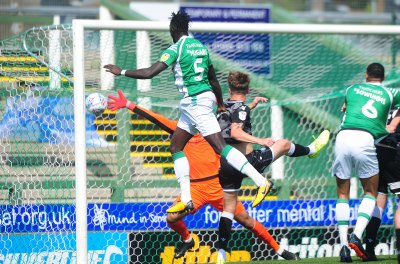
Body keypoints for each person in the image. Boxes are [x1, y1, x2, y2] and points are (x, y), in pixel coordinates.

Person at [103, 11, 273, 214]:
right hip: (198, 102)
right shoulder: (201, 47)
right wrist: (219, 103)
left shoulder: (176, 48)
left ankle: (261, 181)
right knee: (176, 146)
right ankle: (186, 199)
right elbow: (213, 80)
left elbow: (149, 72)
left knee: (220, 148)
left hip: (195, 102)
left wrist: (120, 71)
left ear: (172, 29)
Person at [107, 89, 300, 261]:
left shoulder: (215, 133)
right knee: (171, 218)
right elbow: (156, 118)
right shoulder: (181, 130)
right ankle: (188, 239)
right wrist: (129, 105)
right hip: (195, 189)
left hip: (218, 187)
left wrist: (250, 106)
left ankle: (280, 251)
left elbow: (235, 119)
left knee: (247, 221)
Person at [215, 71, 330, 264]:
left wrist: (250, 107)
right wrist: (261, 140)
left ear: (229, 89)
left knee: (228, 209)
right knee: (283, 144)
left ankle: (221, 256)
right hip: (247, 161)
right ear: (249, 89)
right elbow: (235, 132)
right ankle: (311, 150)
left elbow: (232, 121)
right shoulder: (241, 107)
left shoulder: (223, 106)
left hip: (226, 164)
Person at [332, 63, 400, 262]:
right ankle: (358, 235)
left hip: (343, 138)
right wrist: (394, 124)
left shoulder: (352, 89)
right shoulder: (390, 93)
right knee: (372, 193)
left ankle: (346, 246)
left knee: (344, 194)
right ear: (384, 76)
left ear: (366, 75)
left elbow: (346, 106)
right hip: (375, 143)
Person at [363, 108, 400, 262]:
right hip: (393, 152)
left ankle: (369, 249)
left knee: (378, 200)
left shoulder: (381, 104)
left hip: (374, 153)